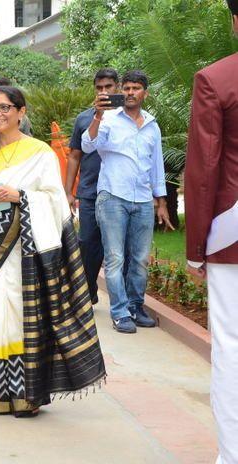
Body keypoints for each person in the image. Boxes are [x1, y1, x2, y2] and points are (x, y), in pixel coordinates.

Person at [0, 85, 105, 417]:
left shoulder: (39, 152)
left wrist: (18, 195)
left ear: (21, 112)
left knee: (17, 314)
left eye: (5, 108)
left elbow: (56, 200)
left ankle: (24, 393)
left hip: (25, 247)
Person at [185, 2, 238, 462]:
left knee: (232, 347)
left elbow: (203, 172)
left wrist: (196, 248)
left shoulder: (216, 79)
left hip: (231, 238)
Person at [82, 70, 174, 334]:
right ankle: (120, 312)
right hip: (113, 197)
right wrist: (98, 115)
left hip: (143, 199)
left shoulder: (152, 125)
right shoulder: (109, 118)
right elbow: (89, 145)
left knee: (141, 259)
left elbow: (156, 165)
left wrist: (162, 201)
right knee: (114, 257)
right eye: (128, 88)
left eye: (136, 88)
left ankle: (136, 306)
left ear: (145, 92)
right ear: (121, 91)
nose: (131, 93)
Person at [65, 68, 120, 307]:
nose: (104, 91)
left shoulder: (127, 118)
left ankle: (124, 301)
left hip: (119, 193)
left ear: (117, 87)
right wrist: (67, 191)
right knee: (87, 243)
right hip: (89, 192)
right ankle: (87, 292)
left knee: (118, 248)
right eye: (99, 88)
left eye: (108, 87)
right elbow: (74, 156)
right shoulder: (84, 118)